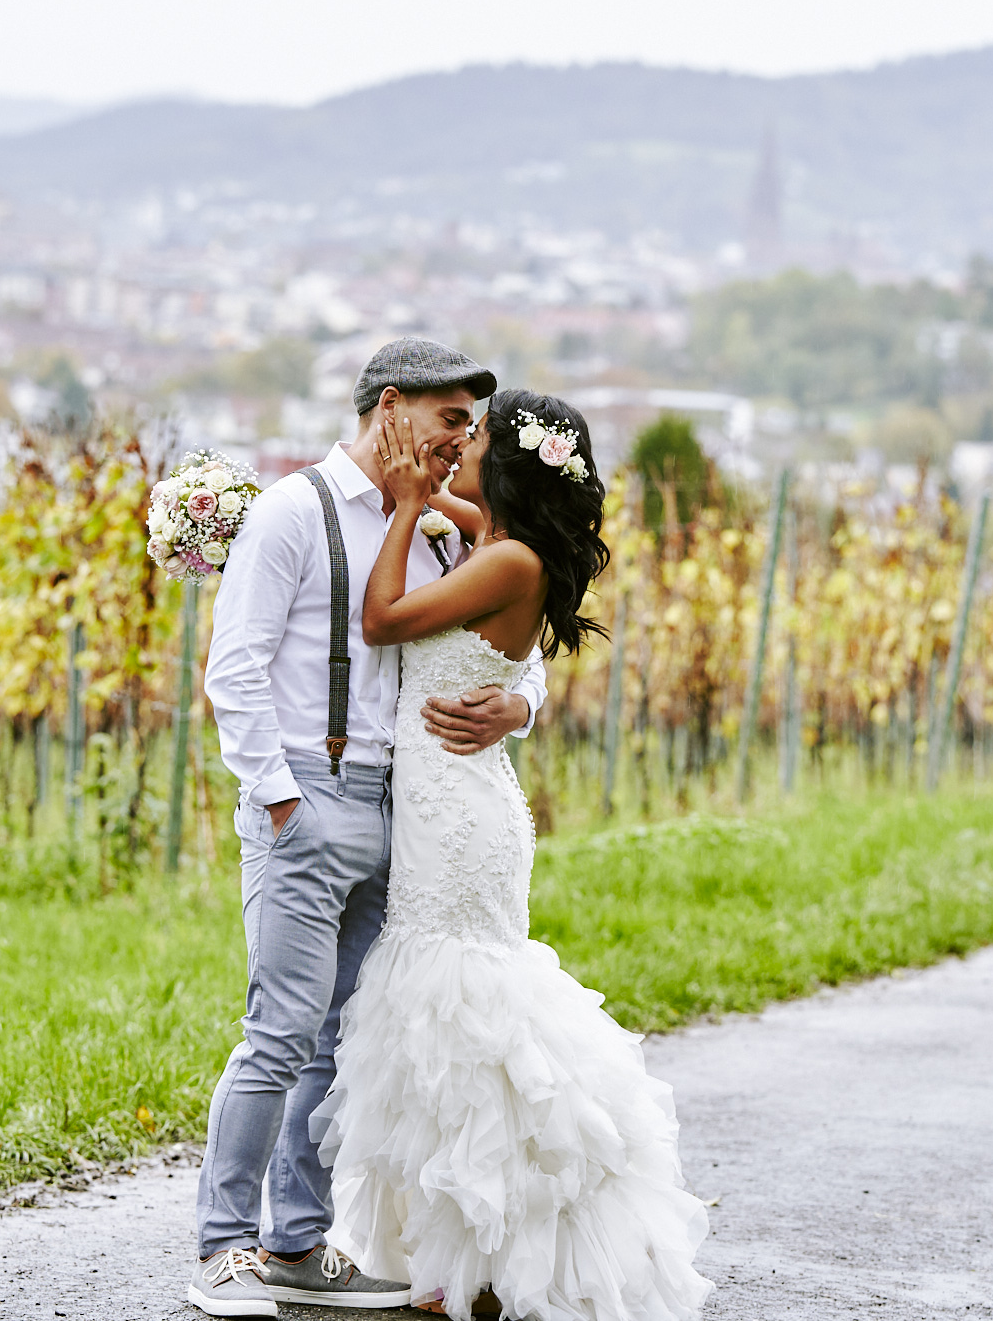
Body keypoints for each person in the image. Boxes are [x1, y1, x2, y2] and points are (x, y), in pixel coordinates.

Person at [313, 391, 713, 1321]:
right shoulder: (500, 541)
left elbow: (382, 619)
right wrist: (420, 485)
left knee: (462, 1017)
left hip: (457, 815)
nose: (464, 446)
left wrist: (408, 505)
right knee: (443, 1018)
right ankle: (452, 1258)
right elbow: (459, 515)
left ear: (509, 463)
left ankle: (484, 1264)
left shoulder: (509, 561)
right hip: (449, 801)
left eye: (478, 438)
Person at [192, 338, 550, 1317]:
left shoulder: (438, 529)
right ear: (390, 406)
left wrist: (517, 709)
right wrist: (278, 803)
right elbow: (234, 669)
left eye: (469, 430)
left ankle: (298, 1244)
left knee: (338, 1044)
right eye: (447, 422)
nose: (459, 444)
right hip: (309, 798)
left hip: (404, 816)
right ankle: (222, 1248)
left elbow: (516, 641)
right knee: (277, 1032)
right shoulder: (290, 513)